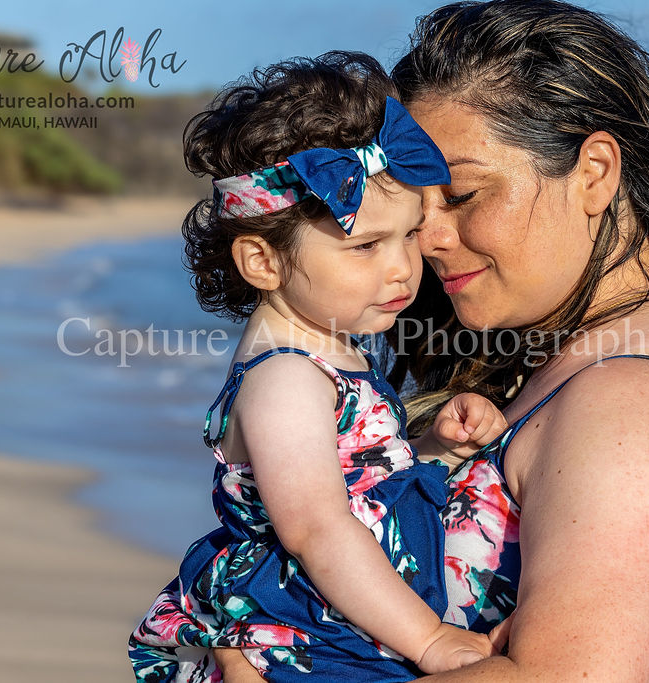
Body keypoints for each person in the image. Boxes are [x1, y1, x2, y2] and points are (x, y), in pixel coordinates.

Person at [215, 1, 649, 681]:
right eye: (415, 208)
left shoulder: (635, 410)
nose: (427, 241)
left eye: (463, 196)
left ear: (593, 173)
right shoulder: (599, 352)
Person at [128, 52, 509, 683]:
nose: (402, 269)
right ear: (262, 263)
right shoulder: (285, 378)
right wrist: (430, 638)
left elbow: (354, 480)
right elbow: (317, 529)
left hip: (352, 611)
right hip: (303, 628)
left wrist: (431, 444)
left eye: (409, 235)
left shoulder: (325, 350)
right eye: (366, 246)